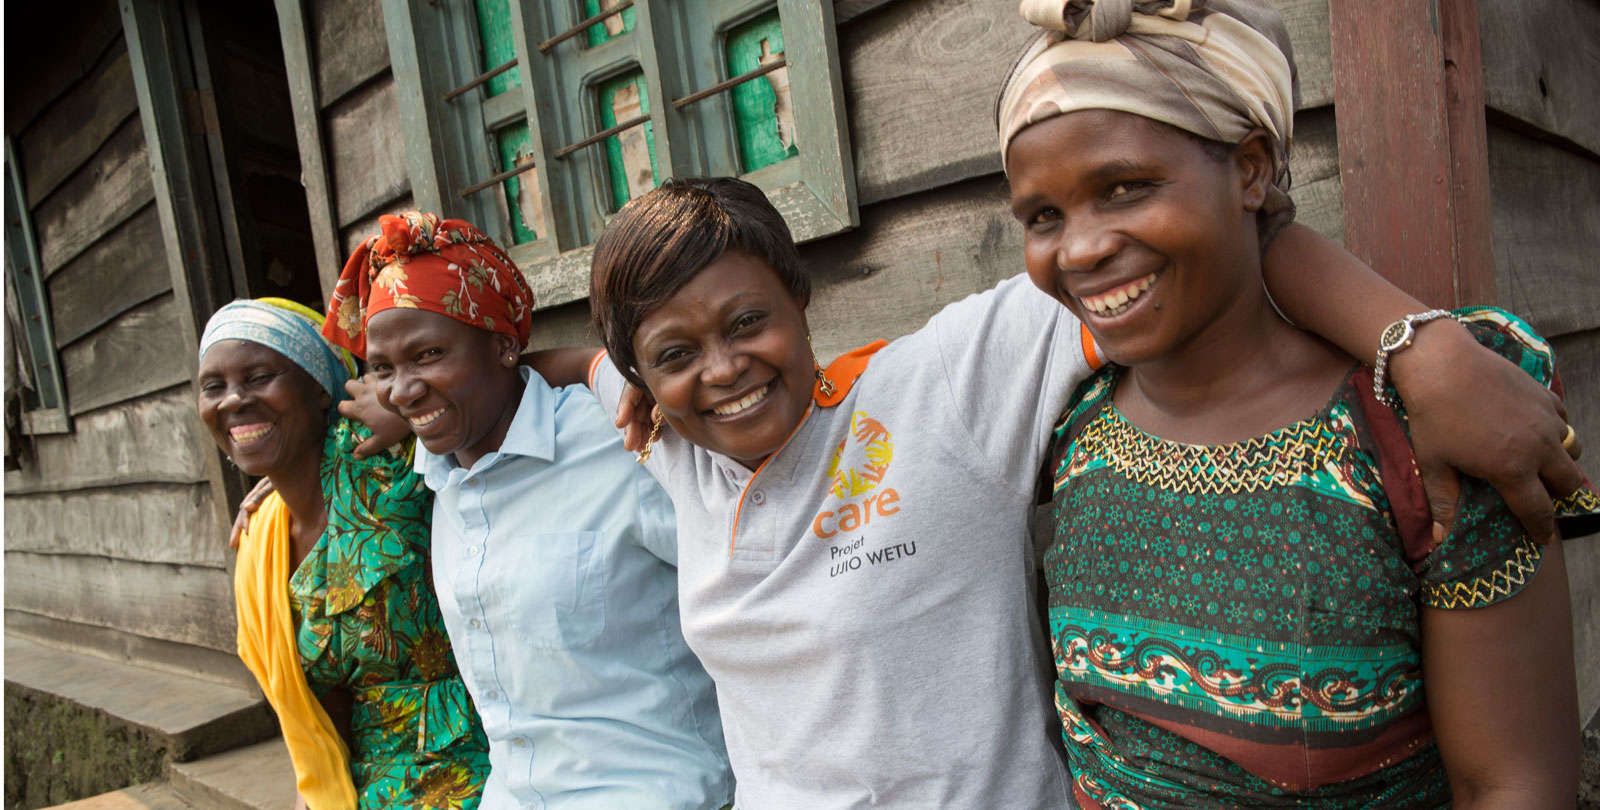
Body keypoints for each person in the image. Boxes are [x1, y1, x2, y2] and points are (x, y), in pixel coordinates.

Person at [567, 162, 1585, 806]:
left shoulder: (936, 392)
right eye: (677, 353)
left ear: (797, 300)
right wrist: (559, 366)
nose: (725, 368)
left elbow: (1219, 245)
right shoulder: (672, 451)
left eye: (748, 323)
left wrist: (1420, 346)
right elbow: (585, 360)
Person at [997, 1, 1599, 806]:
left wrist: (1423, 346)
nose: (1080, 247)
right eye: (1043, 215)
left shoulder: (1418, 439)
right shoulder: (1072, 425)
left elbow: (1513, 784)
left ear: (1250, 169)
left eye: (1127, 187)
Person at [320, 212, 732, 810]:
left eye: (430, 354)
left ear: (505, 345)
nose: (404, 389)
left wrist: (593, 365)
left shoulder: (620, 438)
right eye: (384, 367)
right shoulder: (439, 477)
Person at [197, 298, 489, 810]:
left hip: (492, 759)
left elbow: (499, 390)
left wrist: (405, 413)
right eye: (213, 386)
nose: (233, 401)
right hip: (372, 786)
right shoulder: (261, 540)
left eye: (259, 376)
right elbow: (319, 712)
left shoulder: (390, 463)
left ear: (317, 388)